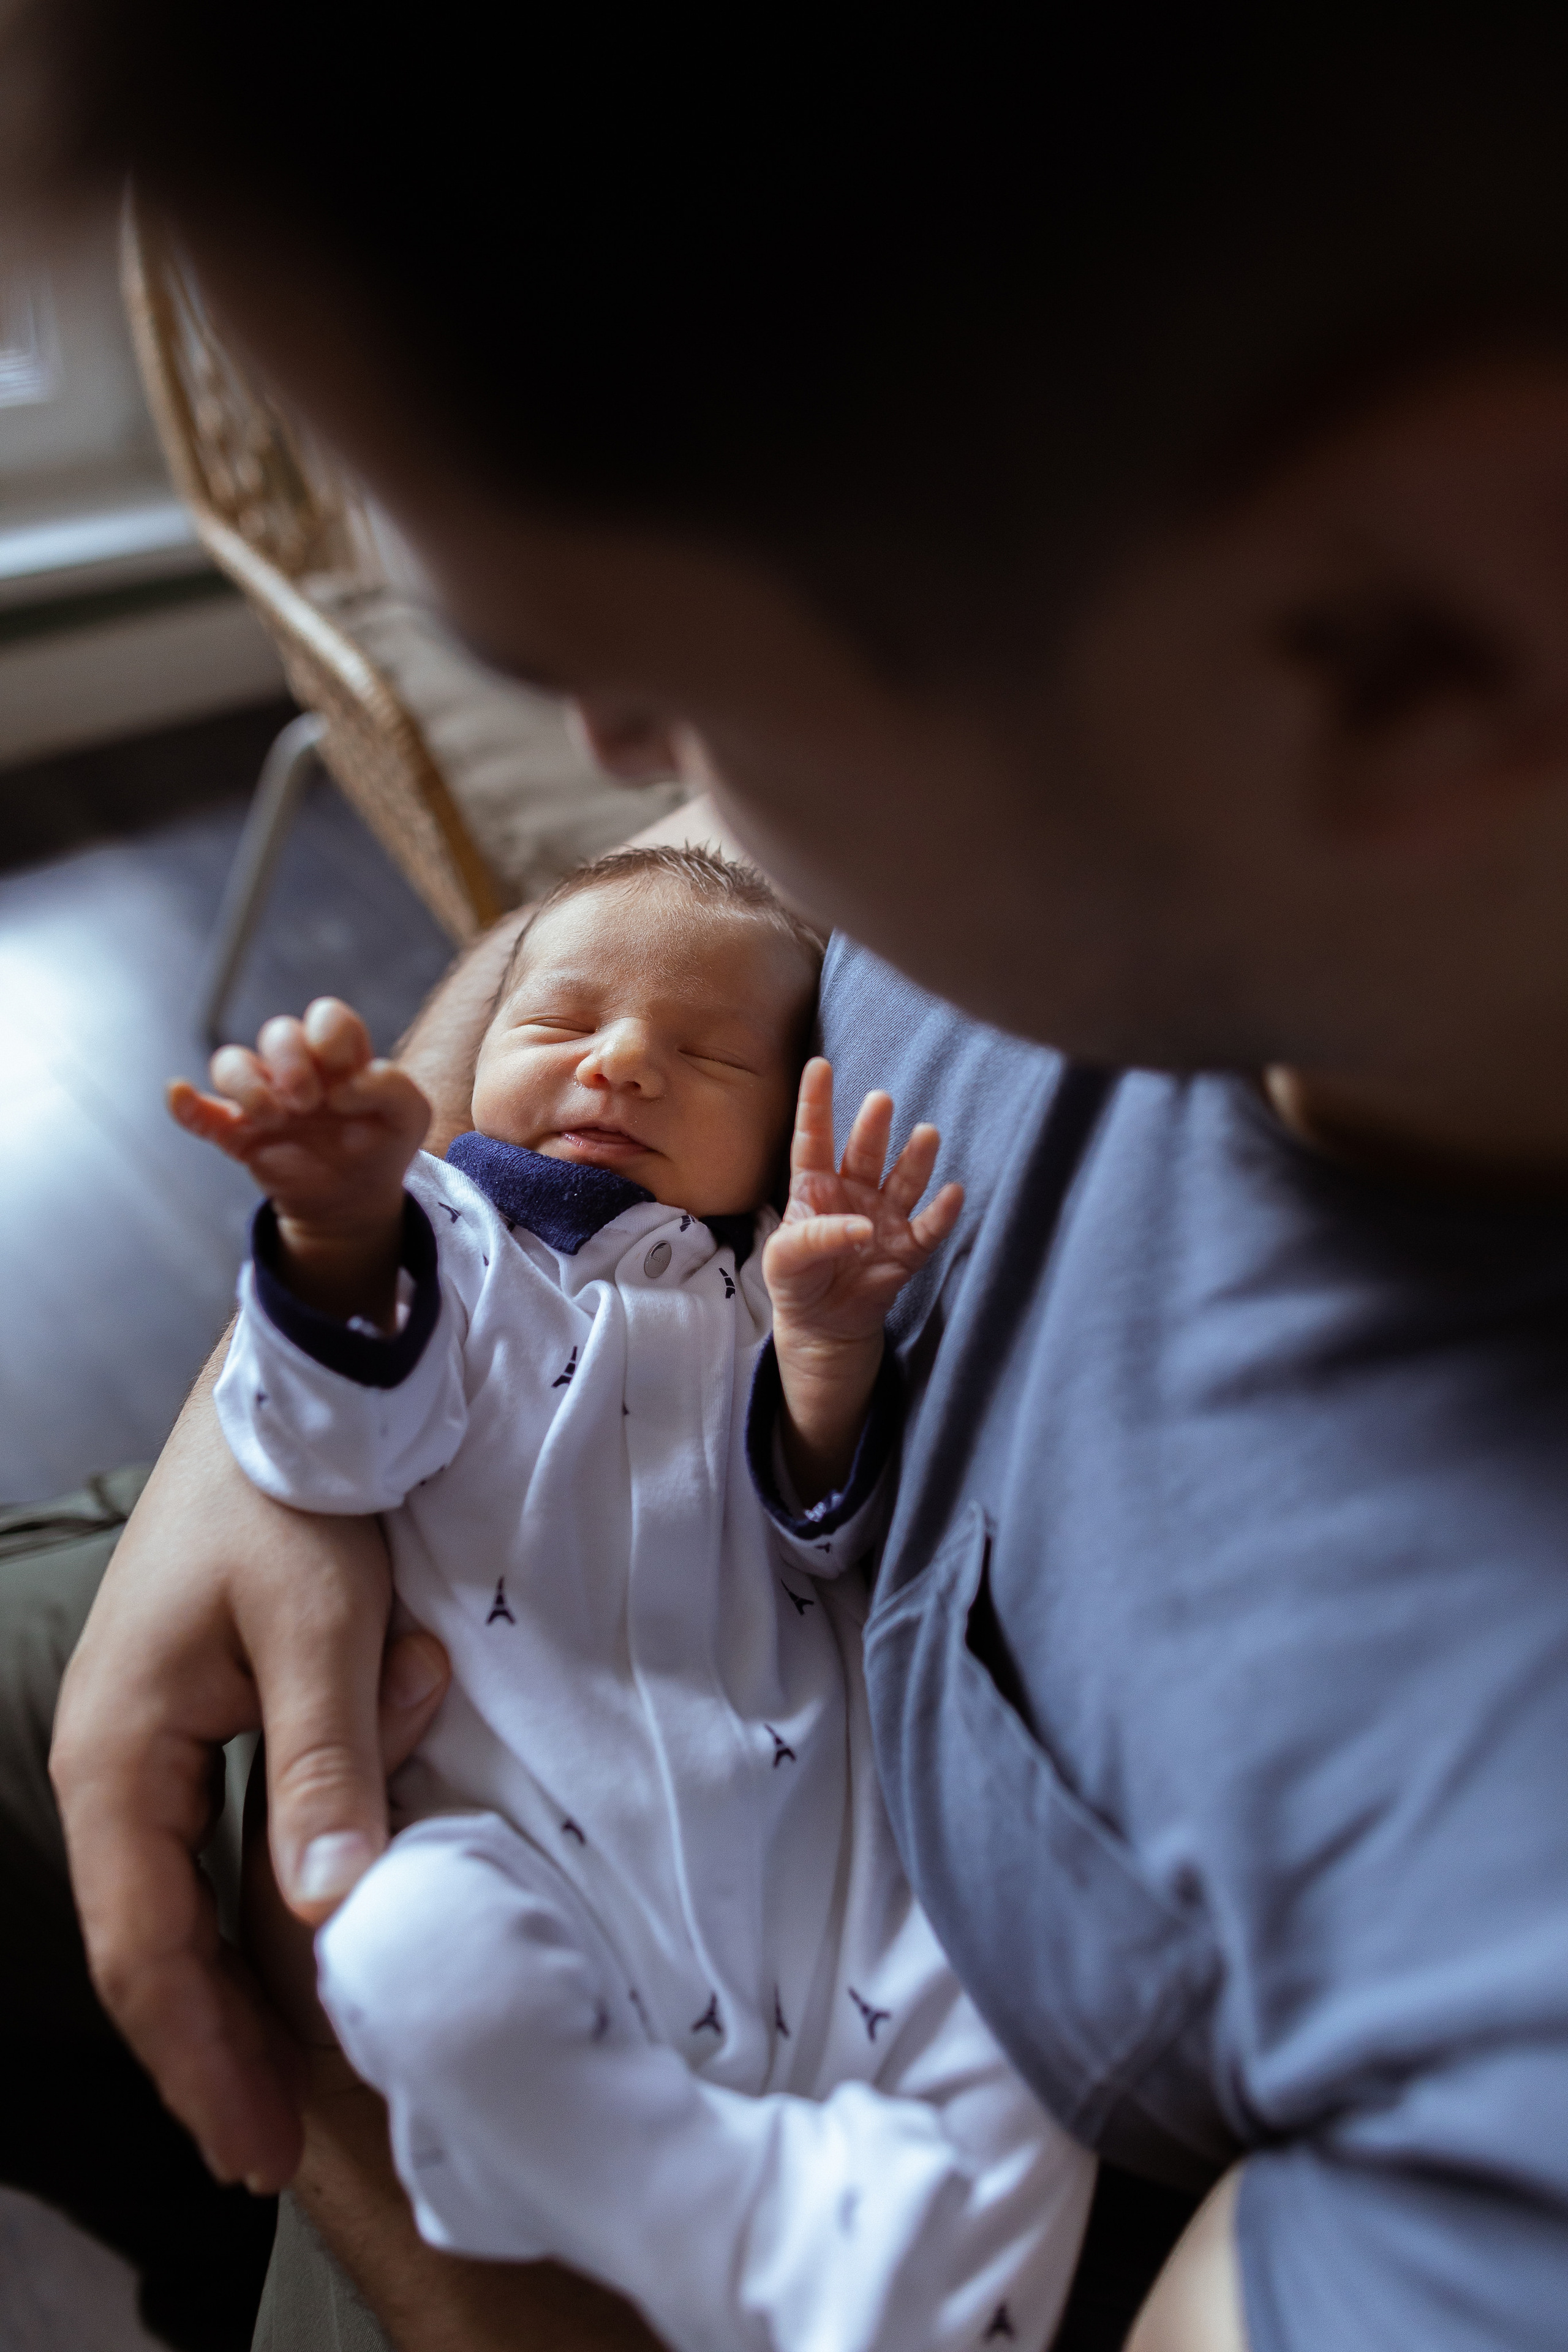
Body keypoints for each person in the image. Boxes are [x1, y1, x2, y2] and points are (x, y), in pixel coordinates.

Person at [9, 9, 1568, 2349]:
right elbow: (683, 871)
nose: (626, 763)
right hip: (492, 1451)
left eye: (661, 661)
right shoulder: (1221, 709)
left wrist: (310, 1946)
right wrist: (304, 1355)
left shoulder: (1501, 1998)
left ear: (1398, 658)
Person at [168, 845, 1091, 2352]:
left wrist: (825, 1351)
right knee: (408, 1955)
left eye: (707, 1053)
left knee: (1040, 2013)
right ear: (482, 1054)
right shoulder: (440, 1245)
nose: (620, 1064)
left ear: (785, 1105)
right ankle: (726, 2219)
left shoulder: (755, 1291)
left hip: (824, 1872)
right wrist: (332, 1232)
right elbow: (328, 1439)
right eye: (561, 1023)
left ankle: (834, 2264)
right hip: (537, 1855)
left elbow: (815, 1532)